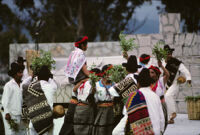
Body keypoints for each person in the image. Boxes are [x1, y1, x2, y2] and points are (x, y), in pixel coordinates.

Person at [125, 68, 165, 135]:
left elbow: (127, 115)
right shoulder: (156, 96)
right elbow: (162, 118)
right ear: (150, 83)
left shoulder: (134, 96)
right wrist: (161, 130)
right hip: (156, 131)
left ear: (138, 83)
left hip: (142, 132)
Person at [109, 55, 141, 135]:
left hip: (130, 112)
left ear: (126, 69)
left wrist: (117, 84)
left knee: (116, 132)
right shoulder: (140, 78)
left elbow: (112, 91)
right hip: (141, 110)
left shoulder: (129, 79)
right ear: (137, 69)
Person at [23, 65, 57, 135]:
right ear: (48, 77)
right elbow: (54, 84)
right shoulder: (51, 87)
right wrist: (50, 78)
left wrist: (34, 77)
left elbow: (23, 85)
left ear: (38, 77)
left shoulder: (30, 87)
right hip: (46, 122)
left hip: (34, 122)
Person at [164, 45, 192, 124]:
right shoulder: (161, 61)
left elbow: (185, 70)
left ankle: (172, 114)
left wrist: (188, 78)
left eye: (170, 53)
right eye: (167, 53)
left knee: (168, 95)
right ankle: (167, 118)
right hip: (163, 83)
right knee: (162, 99)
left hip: (174, 83)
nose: (168, 55)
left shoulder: (176, 62)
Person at [73, 68, 101, 135]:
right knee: (87, 128)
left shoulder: (83, 82)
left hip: (78, 107)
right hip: (86, 107)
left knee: (78, 126)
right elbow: (94, 97)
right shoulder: (94, 83)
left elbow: (74, 90)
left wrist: (81, 81)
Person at [1, 62, 25, 135]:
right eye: (19, 73)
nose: (21, 74)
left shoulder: (22, 85)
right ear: (15, 74)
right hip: (13, 115)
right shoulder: (9, 85)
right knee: (13, 133)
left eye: (21, 72)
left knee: (23, 133)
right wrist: (7, 113)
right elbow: (5, 100)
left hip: (22, 115)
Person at [92, 64, 115, 135]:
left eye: (112, 73)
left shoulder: (114, 84)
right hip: (101, 110)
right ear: (104, 73)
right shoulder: (96, 85)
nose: (110, 75)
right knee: (101, 129)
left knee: (111, 129)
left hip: (111, 110)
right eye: (109, 72)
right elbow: (95, 99)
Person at [149, 61, 170, 131]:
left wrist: (161, 66)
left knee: (163, 122)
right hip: (152, 105)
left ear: (157, 74)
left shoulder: (161, 81)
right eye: (149, 72)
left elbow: (167, 75)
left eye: (152, 72)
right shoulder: (148, 83)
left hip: (161, 104)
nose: (150, 74)